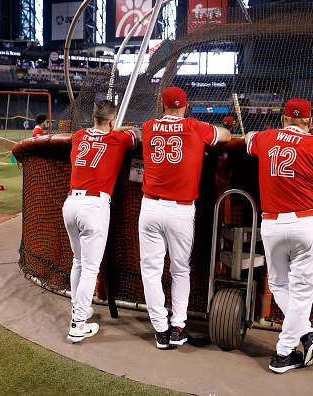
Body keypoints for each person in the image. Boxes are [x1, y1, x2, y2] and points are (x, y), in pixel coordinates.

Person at [245, 98, 313, 373]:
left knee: (278, 285)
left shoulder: (265, 138)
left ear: (283, 120)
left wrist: (255, 134)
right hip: (305, 224)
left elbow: (248, 138)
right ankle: (282, 354)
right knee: (302, 291)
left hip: (272, 225)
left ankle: (307, 336)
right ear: (309, 122)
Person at [139, 86, 231, 349]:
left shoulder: (147, 127)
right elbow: (224, 135)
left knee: (151, 271)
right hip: (180, 209)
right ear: (185, 106)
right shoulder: (194, 126)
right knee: (180, 270)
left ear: (162, 105)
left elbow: (135, 132)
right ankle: (178, 326)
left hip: (151, 207)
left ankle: (160, 329)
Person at [62, 100, 140, 343]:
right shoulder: (119, 139)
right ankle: (78, 324)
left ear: (93, 117)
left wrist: (107, 126)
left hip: (70, 205)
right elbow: (137, 132)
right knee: (90, 268)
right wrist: (115, 128)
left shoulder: (78, 135)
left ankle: (80, 310)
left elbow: (98, 132)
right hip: (93, 207)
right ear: (112, 121)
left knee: (78, 261)